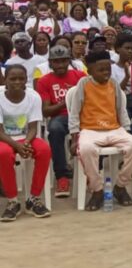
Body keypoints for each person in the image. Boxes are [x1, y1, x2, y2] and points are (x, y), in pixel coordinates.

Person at [68, 51, 132, 211]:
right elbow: (74, 112)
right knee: (87, 149)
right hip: (90, 129)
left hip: (114, 128)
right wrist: (75, 137)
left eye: (108, 69)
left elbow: (121, 109)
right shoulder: (83, 83)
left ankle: (120, 186)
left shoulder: (114, 84)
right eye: (101, 70)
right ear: (90, 71)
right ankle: (97, 190)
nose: (105, 73)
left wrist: (127, 130)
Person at [0, 65, 52, 221]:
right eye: (12, 78)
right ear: (5, 80)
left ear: (26, 80)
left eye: (21, 78)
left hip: (26, 137)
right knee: (3, 153)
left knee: (44, 149)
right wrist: (17, 146)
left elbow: (33, 128)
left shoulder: (33, 96)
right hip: (5, 138)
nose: (17, 82)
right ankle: (13, 201)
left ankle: (33, 198)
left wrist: (26, 143)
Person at [36, 45, 87, 197]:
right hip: (61, 117)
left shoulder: (79, 76)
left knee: (96, 130)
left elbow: (89, 100)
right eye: (56, 62)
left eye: (63, 61)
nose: (60, 65)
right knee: (55, 129)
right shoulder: (44, 81)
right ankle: (62, 176)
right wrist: (68, 100)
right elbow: (46, 111)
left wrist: (75, 105)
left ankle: (91, 172)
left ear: (68, 61)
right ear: (50, 63)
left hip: (82, 114)